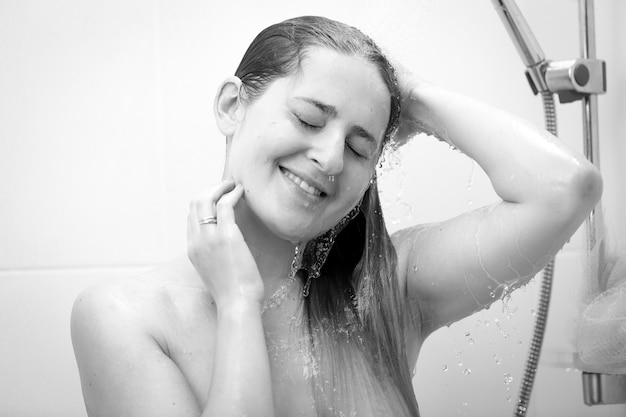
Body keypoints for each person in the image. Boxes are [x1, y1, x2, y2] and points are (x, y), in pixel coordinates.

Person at [70, 15, 602, 417]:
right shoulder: (124, 318)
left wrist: (407, 96)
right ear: (233, 106)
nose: (329, 157)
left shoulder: (386, 287)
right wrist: (237, 304)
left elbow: (566, 189)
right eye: (308, 117)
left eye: (358, 147)